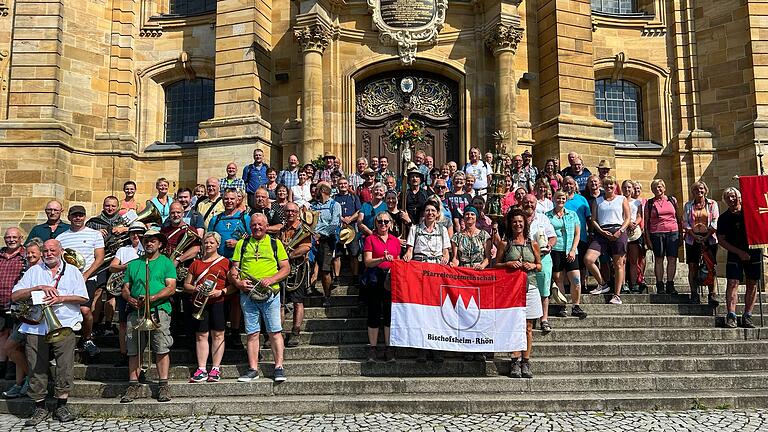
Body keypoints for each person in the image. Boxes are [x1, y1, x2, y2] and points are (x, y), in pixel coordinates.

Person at [12, 239, 87, 425]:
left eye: (52, 250)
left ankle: (61, 405)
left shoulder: (73, 271)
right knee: (36, 363)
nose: (48, 253)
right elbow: (15, 295)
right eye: (45, 250)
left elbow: (83, 297)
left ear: (60, 251)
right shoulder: (34, 271)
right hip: (36, 326)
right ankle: (40, 407)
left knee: (64, 364)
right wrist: (37, 288)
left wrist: (61, 298)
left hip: (64, 323)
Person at [230, 214, 290, 382]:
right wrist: (239, 283)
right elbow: (234, 270)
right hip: (248, 294)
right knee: (252, 333)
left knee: (275, 331)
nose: (257, 227)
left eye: (260, 224)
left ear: (266, 226)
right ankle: (253, 368)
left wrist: (272, 279)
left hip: (270, 294)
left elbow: (286, 268)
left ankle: (279, 367)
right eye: (254, 225)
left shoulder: (275, 243)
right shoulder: (242, 244)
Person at [119, 229, 177, 403]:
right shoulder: (134, 264)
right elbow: (125, 288)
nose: (149, 243)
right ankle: (133, 384)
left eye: (153, 241)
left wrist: (152, 298)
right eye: (146, 240)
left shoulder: (166, 263)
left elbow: (171, 287)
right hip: (136, 311)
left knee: (161, 348)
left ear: (159, 244)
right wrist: (130, 299)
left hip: (158, 310)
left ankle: (163, 385)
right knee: (134, 349)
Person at [495, 208, 542, 379]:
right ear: (510, 224)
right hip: (511, 290)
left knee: (529, 327)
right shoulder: (504, 243)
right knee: (514, 325)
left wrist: (533, 266)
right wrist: (509, 264)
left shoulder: (533, 243)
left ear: (525, 223)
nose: (518, 224)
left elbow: (539, 265)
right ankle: (514, 359)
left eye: (520, 221)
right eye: (514, 221)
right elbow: (496, 265)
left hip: (530, 287)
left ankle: (526, 360)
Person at [403, 201, 450, 363]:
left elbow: (446, 252)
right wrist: (407, 258)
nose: (430, 213)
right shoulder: (415, 229)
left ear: (437, 214)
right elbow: (409, 251)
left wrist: (445, 258)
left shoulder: (443, 230)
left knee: (437, 311)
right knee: (421, 311)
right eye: (427, 210)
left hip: (436, 274)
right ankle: (421, 347)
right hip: (420, 273)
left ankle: (436, 348)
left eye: (433, 210)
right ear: (423, 213)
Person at [57, 205, 105, 360]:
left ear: (85, 217)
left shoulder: (94, 235)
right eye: (75, 215)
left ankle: (87, 338)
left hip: (87, 278)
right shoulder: (61, 237)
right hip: (67, 280)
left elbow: (100, 258)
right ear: (69, 217)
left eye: (81, 215)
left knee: (85, 311)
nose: (78, 218)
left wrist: (85, 275)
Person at [183, 232, 231, 383]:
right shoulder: (195, 263)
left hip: (218, 302)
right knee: (201, 335)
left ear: (218, 244)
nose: (208, 245)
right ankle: (202, 368)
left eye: (211, 242)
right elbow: (186, 285)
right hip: (199, 303)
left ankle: (215, 368)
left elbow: (233, 286)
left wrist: (220, 291)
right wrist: (196, 289)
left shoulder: (225, 262)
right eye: (206, 242)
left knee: (218, 335)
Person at [717, 187, 760, 329]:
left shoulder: (750, 212)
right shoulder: (724, 218)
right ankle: (731, 315)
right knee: (732, 283)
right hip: (734, 253)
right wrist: (738, 252)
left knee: (752, 282)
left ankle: (747, 315)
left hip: (753, 250)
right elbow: (721, 239)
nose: (731, 199)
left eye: (733, 196)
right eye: (728, 197)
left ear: (739, 197)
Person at [2, 240, 40, 399]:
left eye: (34, 253)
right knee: (12, 348)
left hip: (36, 318)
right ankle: (24, 381)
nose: (30, 255)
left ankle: (25, 382)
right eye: (28, 253)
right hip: (21, 315)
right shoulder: (25, 270)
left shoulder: (42, 270)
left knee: (15, 347)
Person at [585, 177, 631, 305]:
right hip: (602, 232)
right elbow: (593, 219)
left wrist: (620, 231)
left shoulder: (622, 199)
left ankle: (617, 295)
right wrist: (601, 231)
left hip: (618, 230)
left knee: (618, 264)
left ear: (615, 185)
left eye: (611, 184)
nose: (608, 187)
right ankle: (602, 284)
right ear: (602, 186)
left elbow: (627, 218)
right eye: (605, 184)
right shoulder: (598, 201)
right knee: (588, 259)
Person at [362, 211, 399, 363]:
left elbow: (397, 261)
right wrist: (381, 259)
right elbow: (367, 262)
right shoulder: (370, 239)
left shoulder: (395, 241)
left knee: (389, 315)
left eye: (385, 221)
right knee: (374, 312)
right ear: (375, 223)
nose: (383, 224)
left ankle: (389, 348)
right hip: (374, 277)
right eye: (380, 221)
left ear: (390, 224)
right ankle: (373, 348)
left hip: (390, 278)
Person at [107, 222, 146, 368]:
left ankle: (140, 356)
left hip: (142, 290)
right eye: (132, 233)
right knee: (123, 324)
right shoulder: (123, 250)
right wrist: (126, 266)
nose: (136, 236)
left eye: (139, 233)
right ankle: (124, 353)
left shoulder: (148, 248)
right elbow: (112, 267)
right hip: (125, 289)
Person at [546, 192, 587, 319]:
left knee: (576, 279)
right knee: (558, 278)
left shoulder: (572, 214)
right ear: (553, 199)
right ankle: (562, 306)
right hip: (556, 249)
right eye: (558, 198)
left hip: (570, 249)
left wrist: (573, 249)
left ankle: (576, 305)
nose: (561, 200)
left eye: (563, 198)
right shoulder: (547, 215)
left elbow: (577, 233)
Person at [520, 195, 556, 332]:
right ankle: (525, 318)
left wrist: (550, 246)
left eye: (531, 202)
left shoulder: (543, 218)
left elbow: (553, 237)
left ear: (536, 204)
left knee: (544, 289)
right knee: (523, 289)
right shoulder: (517, 218)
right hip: (523, 258)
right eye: (526, 202)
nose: (529, 204)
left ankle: (544, 319)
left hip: (543, 257)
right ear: (521, 203)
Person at [279, 203, 312, 347]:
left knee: (298, 301)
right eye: (287, 211)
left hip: (298, 267)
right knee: (280, 302)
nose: (290, 213)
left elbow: (306, 246)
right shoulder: (281, 229)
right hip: (282, 268)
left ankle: (295, 331)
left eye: (293, 211)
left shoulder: (302, 229)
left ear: (298, 213)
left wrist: (289, 255)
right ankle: (276, 332)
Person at [683, 180, 720, 306]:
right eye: (696, 189)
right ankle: (694, 293)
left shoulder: (712, 204)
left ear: (705, 190)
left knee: (710, 266)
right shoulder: (688, 205)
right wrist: (693, 235)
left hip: (709, 238)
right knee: (692, 266)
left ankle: (712, 294)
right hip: (692, 238)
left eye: (701, 189)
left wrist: (706, 236)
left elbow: (715, 220)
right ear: (692, 192)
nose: (699, 191)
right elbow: (686, 222)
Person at [643, 179, 682, 295]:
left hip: (672, 231)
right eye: (655, 188)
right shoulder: (650, 203)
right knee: (659, 259)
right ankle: (659, 285)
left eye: (660, 187)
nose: (657, 189)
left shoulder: (672, 200)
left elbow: (679, 218)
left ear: (664, 188)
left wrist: (680, 234)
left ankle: (670, 284)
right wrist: (648, 239)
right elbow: (646, 224)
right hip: (656, 233)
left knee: (672, 259)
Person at [0, 228, 26, 379]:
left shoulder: (25, 256)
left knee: (13, 335)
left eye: (14, 237)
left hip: (16, 302)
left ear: (21, 238)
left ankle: (11, 367)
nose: (11, 240)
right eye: (8, 237)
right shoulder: (0, 255)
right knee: (2, 333)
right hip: (1, 300)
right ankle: (2, 365)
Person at [311, 183, 342, 308]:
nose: (315, 191)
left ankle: (327, 295)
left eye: (317, 189)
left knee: (325, 270)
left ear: (323, 190)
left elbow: (334, 224)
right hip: (313, 239)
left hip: (327, 241)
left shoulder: (335, 205)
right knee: (311, 265)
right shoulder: (313, 205)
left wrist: (320, 234)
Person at [562, 176, 591, 292]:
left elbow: (588, 217)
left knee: (581, 263)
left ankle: (582, 285)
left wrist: (591, 232)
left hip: (581, 236)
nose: (568, 186)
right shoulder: (560, 198)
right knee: (566, 262)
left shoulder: (582, 199)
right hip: (565, 238)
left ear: (575, 186)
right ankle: (567, 285)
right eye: (566, 184)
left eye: (571, 184)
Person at [208, 189, 251, 259]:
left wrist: (238, 244)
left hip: (239, 261)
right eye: (226, 199)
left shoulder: (245, 218)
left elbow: (253, 241)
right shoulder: (215, 220)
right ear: (222, 201)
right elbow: (208, 240)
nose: (229, 201)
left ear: (237, 201)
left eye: (232, 199)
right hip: (218, 261)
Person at [334, 178, 362, 278]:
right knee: (337, 254)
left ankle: (355, 276)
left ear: (348, 185)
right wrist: (341, 218)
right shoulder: (334, 198)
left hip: (352, 227)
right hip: (339, 228)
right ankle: (337, 277)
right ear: (337, 185)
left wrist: (350, 219)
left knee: (354, 254)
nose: (343, 185)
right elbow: (333, 211)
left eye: (345, 183)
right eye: (340, 184)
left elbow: (359, 211)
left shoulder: (354, 197)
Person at [621, 180, 645, 294]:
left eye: (629, 187)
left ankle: (634, 283)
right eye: (625, 187)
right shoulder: (619, 200)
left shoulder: (637, 202)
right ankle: (623, 283)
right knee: (623, 260)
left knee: (634, 260)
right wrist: (628, 223)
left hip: (635, 232)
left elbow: (640, 215)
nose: (627, 190)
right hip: (623, 230)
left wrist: (635, 223)